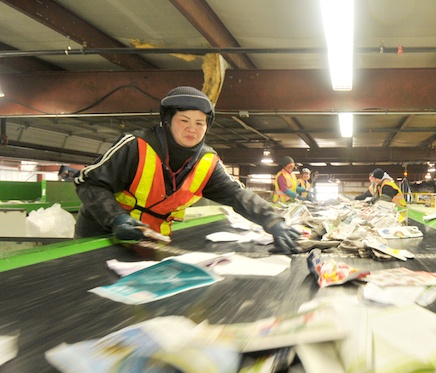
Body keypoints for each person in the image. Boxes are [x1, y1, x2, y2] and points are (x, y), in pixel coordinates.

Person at [73, 86, 300, 254]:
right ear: (168, 121)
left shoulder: (207, 162)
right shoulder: (136, 145)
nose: (192, 129)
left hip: (149, 238)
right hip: (102, 234)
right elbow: (89, 182)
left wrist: (272, 221)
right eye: (184, 120)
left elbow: (236, 194)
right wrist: (116, 219)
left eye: (200, 123)